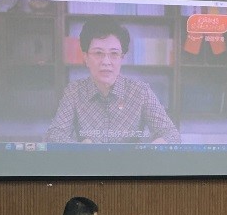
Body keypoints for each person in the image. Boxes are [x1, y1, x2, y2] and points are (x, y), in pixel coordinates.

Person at [46, 16, 181, 144]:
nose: (106, 62)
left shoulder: (140, 92)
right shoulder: (74, 91)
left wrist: (155, 146)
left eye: (114, 54)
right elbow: (54, 135)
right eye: (98, 53)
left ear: (122, 58)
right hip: (89, 160)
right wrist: (80, 147)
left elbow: (171, 134)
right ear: (86, 58)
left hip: (131, 161)